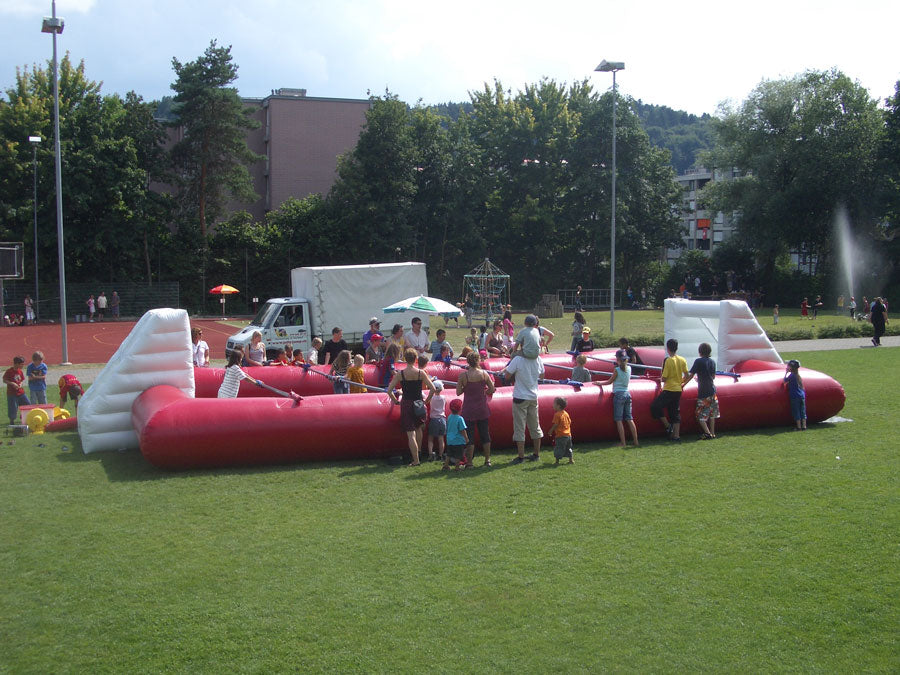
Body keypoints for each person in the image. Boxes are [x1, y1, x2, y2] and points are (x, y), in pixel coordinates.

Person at [387, 348, 436, 466]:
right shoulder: (421, 372)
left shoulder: (401, 374)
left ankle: (416, 460)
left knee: (411, 433)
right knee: (419, 428)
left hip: (407, 403)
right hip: (419, 402)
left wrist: (396, 401)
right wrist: (426, 401)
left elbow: (389, 390)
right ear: (415, 359)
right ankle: (418, 453)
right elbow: (433, 389)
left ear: (405, 359)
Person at [501, 351, 544, 463]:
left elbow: (507, 376)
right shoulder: (538, 359)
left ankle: (521, 456)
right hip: (533, 396)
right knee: (535, 425)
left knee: (519, 427)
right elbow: (542, 376)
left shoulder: (518, 360)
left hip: (520, 396)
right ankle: (536, 454)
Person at [456, 351, 496, 467]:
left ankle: (469, 462)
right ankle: (487, 460)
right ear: (478, 361)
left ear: (468, 361)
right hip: (482, 408)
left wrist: (466, 388)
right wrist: (485, 391)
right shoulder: (484, 374)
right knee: (485, 435)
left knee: (469, 436)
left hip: (469, 409)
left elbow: (458, 392)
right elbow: (492, 389)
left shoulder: (463, 376)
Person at [598, 349, 639, 448]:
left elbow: (609, 381)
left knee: (619, 419)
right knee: (629, 418)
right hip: (627, 393)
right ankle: (636, 441)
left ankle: (623, 443)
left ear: (618, 360)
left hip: (619, 395)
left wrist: (599, 383)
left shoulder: (617, 370)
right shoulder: (629, 368)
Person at [650, 338, 688, 441]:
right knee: (675, 412)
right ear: (677, 348)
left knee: (655, 406)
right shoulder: (682, 359)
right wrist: (682, 383)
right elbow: (687, 374)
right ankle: (676, 436)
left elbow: (665, 377)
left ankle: (667, 426)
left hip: (669, 389)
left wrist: (660, 379)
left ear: (667, 348)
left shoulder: (668, 360)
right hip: (678, 389)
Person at [682, 342, 719, 440]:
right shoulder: (712, 362)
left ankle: (707, 433)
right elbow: (713, 377)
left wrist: (683, 384)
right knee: (712, 413)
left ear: (700, 352)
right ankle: (713, 433)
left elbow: (691, 375)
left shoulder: (698, 361)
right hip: (712, 390)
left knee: (699, 414)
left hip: (704, 392)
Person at [443, 398, 469, 470]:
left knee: (449, 454)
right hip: (458, 441)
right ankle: (457, 467)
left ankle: (445, 465)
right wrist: (466, 438)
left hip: (450, 440)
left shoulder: (449, 417)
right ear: (460, 409)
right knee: (458, 455)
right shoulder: (460, 419)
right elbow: (462, 430)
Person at [4, 356, 30, 424]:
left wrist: (20, 384)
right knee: (13, 407)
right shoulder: (9, 371)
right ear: (16, 364)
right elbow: (4, 380)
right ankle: (12, 421)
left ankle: (23, 417)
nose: (23, 365)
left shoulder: (20, 371)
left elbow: (21, 380)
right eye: (21, 364)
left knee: (27, 404)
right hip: (12, 394)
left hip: (21, 393)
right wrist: (12, 383)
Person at [425, 380, 447, 461]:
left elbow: (426, 401)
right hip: (442, 419)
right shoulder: (444, 398)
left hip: (434, 419)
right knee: (441, 439)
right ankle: (441, 455)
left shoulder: (432, 398)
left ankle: (431, 454)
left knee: (430, 438)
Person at [549, 397, 574, 464]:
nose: (553, 405)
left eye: (554, 403)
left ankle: (557, 461)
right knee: (568, 448)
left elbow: (556, 424)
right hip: (568, 435)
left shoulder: (557, 414)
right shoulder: (566, 413)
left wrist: (551, 430)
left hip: (561, 435)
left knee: (559, 448)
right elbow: (570, 422)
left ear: (558, 406)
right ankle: (571, 460)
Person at [784, 359, 806, 430]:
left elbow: (784, 381)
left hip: (795, 396)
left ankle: (799, 427)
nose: (787, 367)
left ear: (792, 368)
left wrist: (786, 373)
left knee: (796, 411)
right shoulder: (797, 375)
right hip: (801, 395)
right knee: (802, 411)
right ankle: (804, 426)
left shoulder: (792, 375)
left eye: (788, 366)